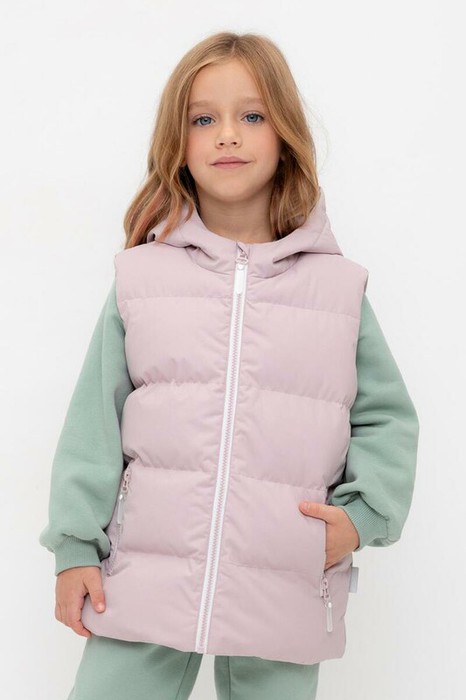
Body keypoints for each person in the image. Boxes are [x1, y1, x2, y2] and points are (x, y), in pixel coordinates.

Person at [39, 31, 420, 700]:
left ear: (285, 135)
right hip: (145, 574)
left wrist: (362, 517)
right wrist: (75, 548)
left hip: (285, 574)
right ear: (178, 143)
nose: (228, 135)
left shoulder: (337, 290)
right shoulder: (141, 279)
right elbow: (92, 423)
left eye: (252, 115)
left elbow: (388, 419)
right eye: (203, 119)